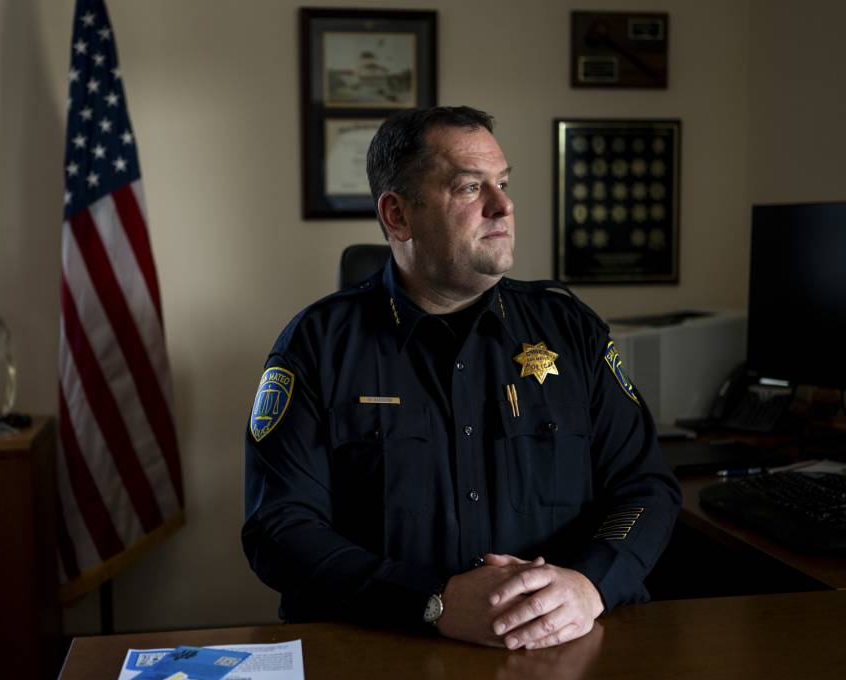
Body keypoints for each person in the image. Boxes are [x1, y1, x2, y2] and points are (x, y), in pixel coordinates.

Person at [242, 106, 681, 650]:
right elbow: (280, 530)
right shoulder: (316, 346)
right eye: (471, 188)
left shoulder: (571, 331)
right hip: (384, 647)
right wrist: (433, 601)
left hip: (561, 648)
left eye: (503, 182)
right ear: (398, 216)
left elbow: (644, 487)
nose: (504, 204)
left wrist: (591, 584)